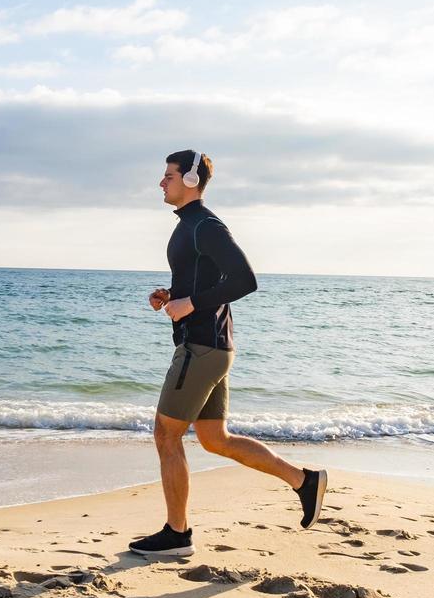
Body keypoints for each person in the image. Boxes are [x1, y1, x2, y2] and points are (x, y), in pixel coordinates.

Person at [128, 149, 328, 557]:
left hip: (202, 346)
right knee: (215, 439)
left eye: (168, 175)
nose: (161, 182)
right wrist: (172, 296)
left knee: (166, 434)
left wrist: (192, 305)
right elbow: (206, 282)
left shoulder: (206, 225)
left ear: (189, 180)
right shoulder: (189, 227)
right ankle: (304, 482)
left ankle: (177, 533)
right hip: (211, 345)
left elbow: (245, 279)